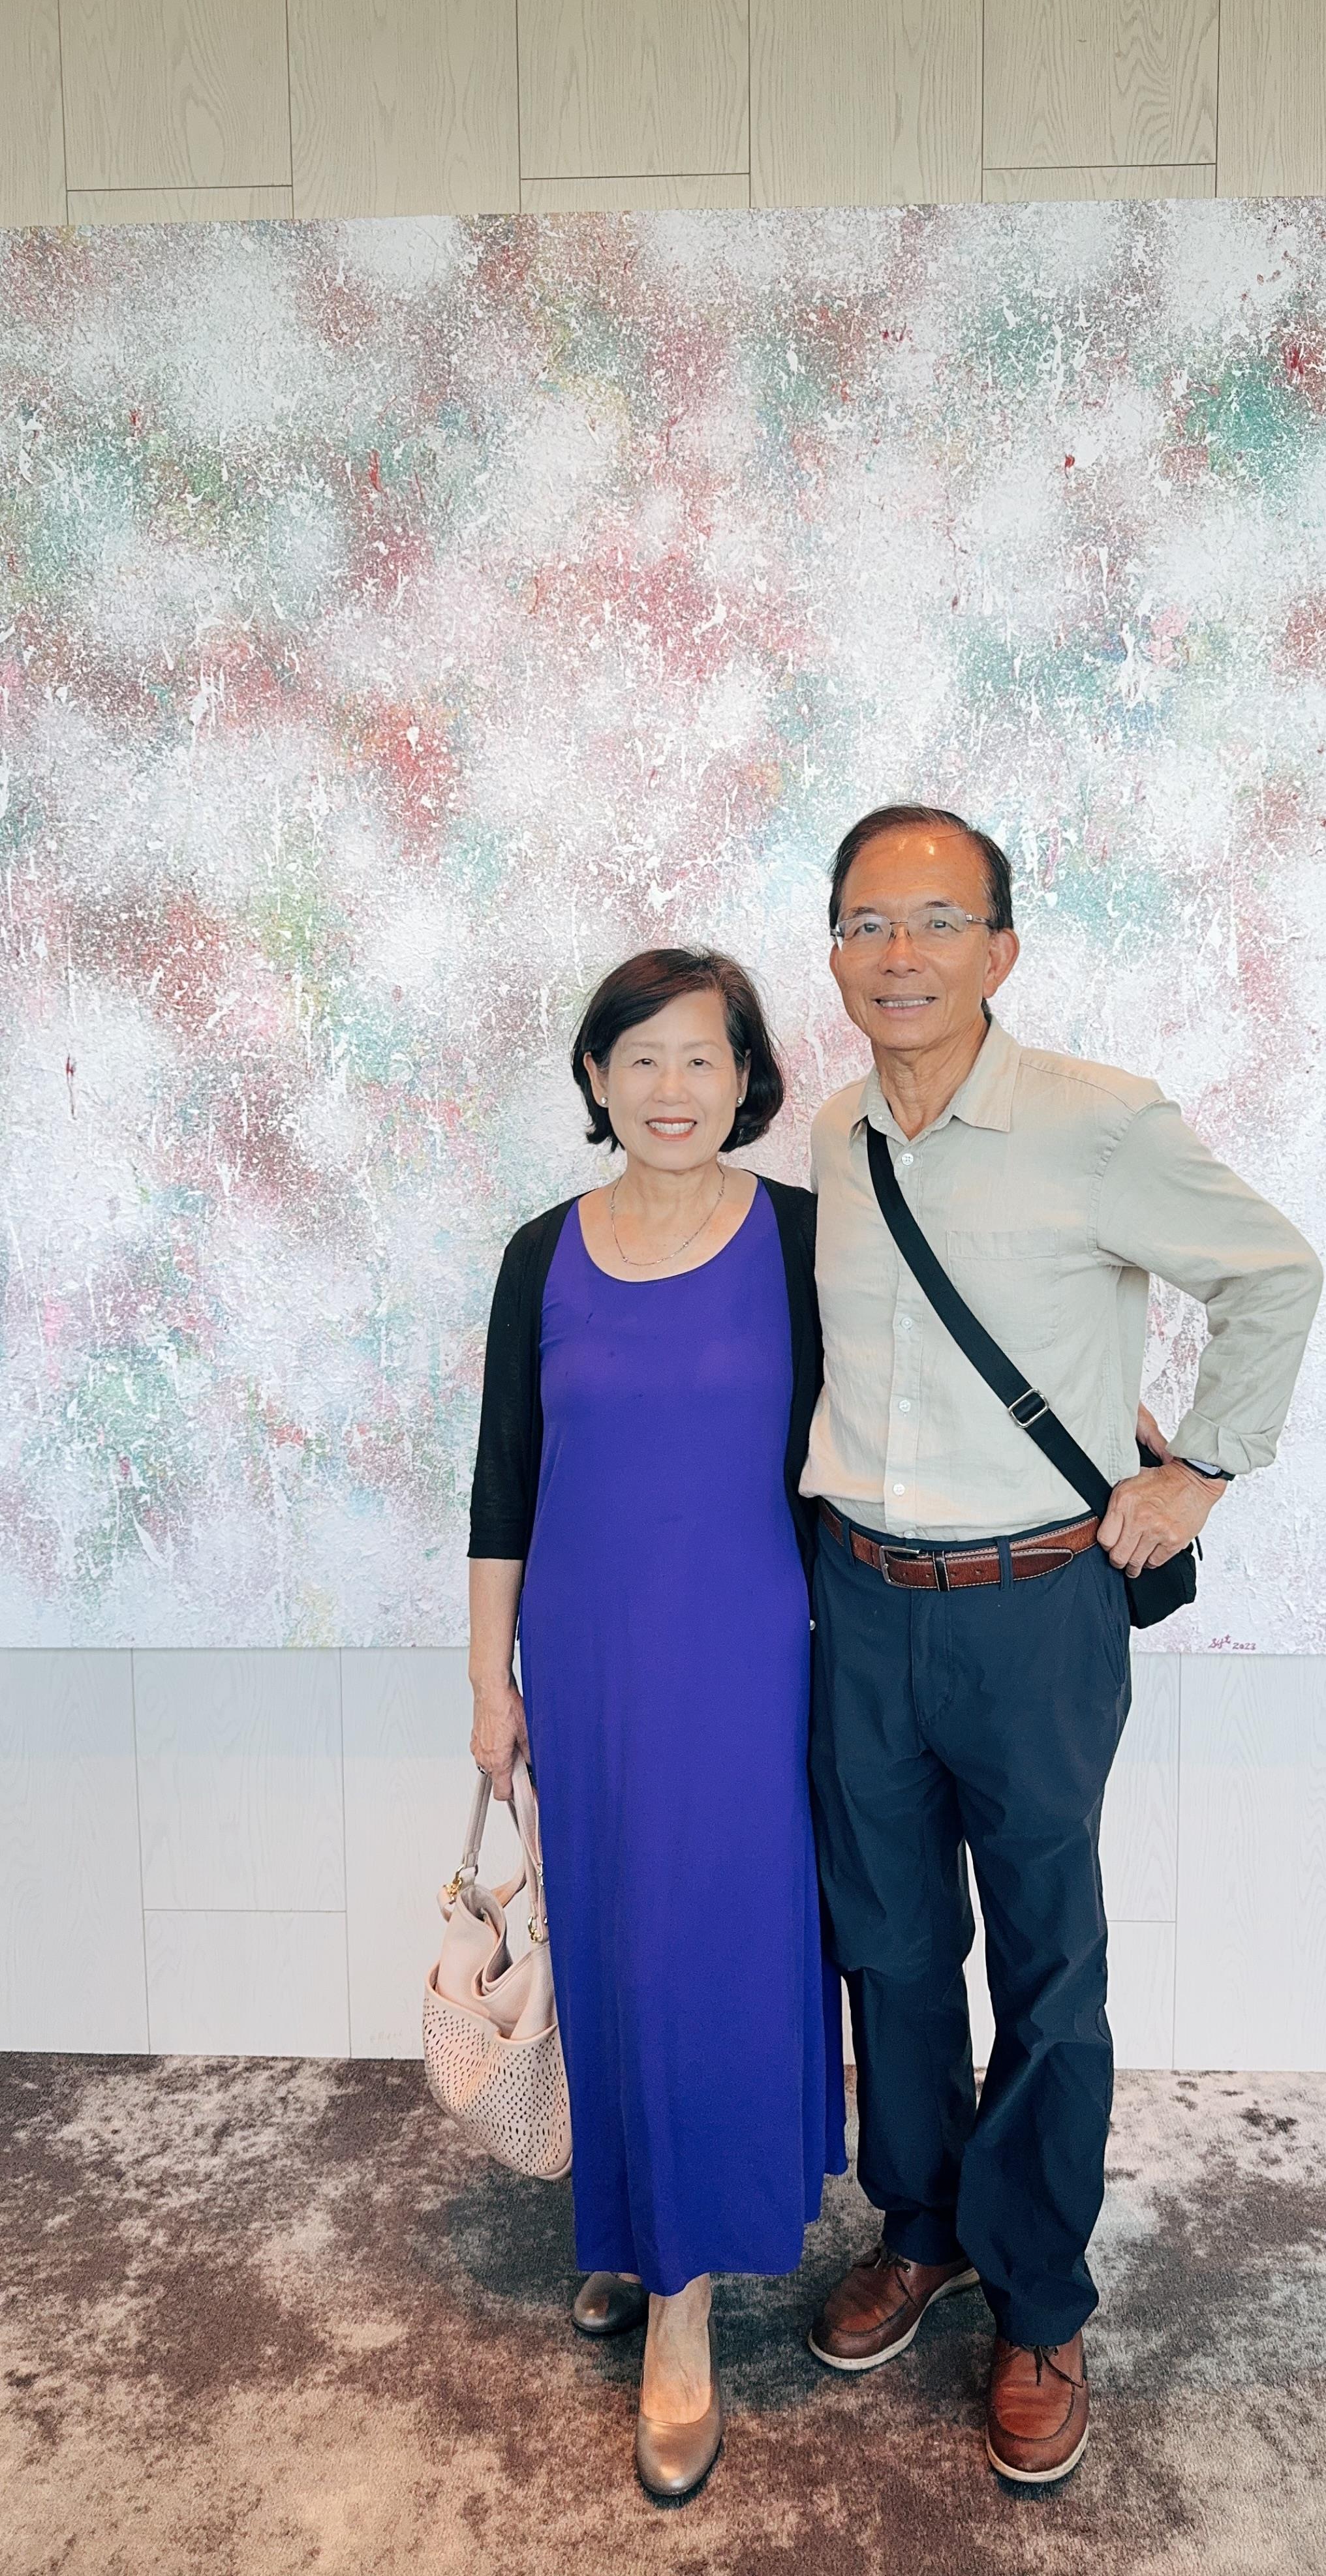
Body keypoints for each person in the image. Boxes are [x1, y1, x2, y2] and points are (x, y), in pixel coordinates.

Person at [801, 802, 1322, 2485]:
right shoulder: (830, 1135)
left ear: (1000, 952)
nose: (902, 953)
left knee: (1046, 1962)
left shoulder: (1099, 1123)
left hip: (1036, 1607)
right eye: (870, 921)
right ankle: (924, 2228)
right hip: (861, 1600)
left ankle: (1037, 2298)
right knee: (885, 1944)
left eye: (938, 921)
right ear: (836, 951)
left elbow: (1276, 1274)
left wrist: (1203, 1470)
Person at [465, 947, 846, 2506]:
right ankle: (625, 2229)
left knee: (712, 1954)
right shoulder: (538, 1253)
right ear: (597, 1079)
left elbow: (893, 1427)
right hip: (587, 1654)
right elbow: (502, 1486)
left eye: (704, 1059)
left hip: (753, 1660)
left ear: (749, 1078)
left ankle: (683, 2303)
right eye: (643, 1059)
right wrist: (490, 1685)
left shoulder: (814, 1244)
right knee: (613, 1944)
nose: (673, 1090)